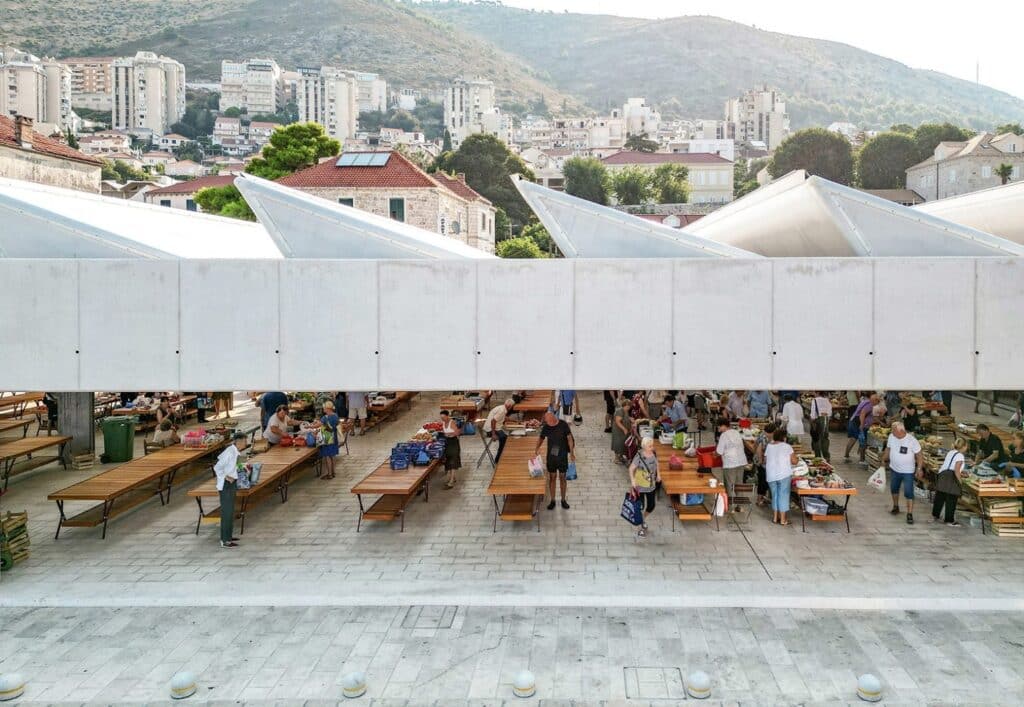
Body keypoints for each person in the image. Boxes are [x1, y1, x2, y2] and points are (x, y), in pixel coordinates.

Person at [535, 411, 575, 510]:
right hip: (551, 457)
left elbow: (569, 438)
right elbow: (541, 438)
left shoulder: (563, 424)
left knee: (562, 478)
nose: (547, 423)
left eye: (547, 421)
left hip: (562, 456)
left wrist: (572, 453)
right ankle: (552, 500)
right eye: (546, 421)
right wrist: (536, 449)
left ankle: (563, 500)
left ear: (552, 419)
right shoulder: (546, 427)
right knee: (552, 478)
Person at [213, 433, 247, 548]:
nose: (245, 444)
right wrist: (226, 477)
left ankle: (228, 535)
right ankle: (225, 540)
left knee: (231, 510)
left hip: (232, 484)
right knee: (227, 513)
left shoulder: (234, 452)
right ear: (239, 441)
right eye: (244, 441)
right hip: (226, 485)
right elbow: (217, 467)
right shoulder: (230, 452)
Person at [886, 421, 923, 524]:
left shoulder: (912, 441)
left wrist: (919, 469)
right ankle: (896, 506)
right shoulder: (891, 437)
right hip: (894, 469)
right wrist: (883, 460)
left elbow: (919, 455)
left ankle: (909, 514)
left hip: (908, 471)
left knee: (908, 492)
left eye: (894, 430)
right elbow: (888, 449)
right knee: (894, 488)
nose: (892, 432)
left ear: (901, 430)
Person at [932, 438, 968, 526]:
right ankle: (949, 520)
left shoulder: (951, 452)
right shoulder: (960, 455)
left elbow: (950, 465)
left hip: (943, 474)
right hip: (951, 476)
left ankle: (935, 515)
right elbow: (956, 470)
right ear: (963, 447)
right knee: (951, 498)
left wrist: (961, 472)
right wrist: (960, 482)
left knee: (940, 496)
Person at [629, 437, 660, 538]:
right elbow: (631, 469)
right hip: (640, 485)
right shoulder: (639, 455)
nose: (652, 447)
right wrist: (633, 481)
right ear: (644, 446)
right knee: (640, 507)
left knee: (651, 506)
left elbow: (657, 463)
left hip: (651, 485)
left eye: (652, 445)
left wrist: (658, 475)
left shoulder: (653, 453)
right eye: (650, 446)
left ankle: (642, 519)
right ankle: (640, 529)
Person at [765, 427, 795, 526]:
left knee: (775, 495)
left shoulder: (769, 446)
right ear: (784, 437)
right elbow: (794, 461)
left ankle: (774, 518)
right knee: (783, 496)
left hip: (771, 475)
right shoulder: (787, 447)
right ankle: (782, 520)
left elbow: (765, 460)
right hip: (784, 475)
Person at [715, 417, 746, 508]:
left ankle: (731, 506)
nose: (719, 429)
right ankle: (740, 506)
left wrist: (714, 454)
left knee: (730, 485)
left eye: (719, 427)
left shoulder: (724, 436)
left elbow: (719, 452)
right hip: (741, 461)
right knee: (738, 484)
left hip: (730, 463)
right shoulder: (736, 432)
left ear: (724, 426)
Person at [844, 393, 877, 463]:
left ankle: (846, 455)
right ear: (874, 400)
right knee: (863, 441)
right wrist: (861, 425)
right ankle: (862, 459)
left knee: (853, 439)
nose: (878, 402)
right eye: (878, 401)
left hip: (854, 421)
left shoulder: (865, 401)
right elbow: (862, 414)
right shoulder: (870, 405)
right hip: (857, 423)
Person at [485, 398, 515, 464]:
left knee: (505, 435)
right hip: (490, 430)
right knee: (504, 437)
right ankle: (498, 459)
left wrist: (515, 421)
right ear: (509, 406)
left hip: (495, 428)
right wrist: (493, 434)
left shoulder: (502, 408)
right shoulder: (502, 410)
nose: (511, 408)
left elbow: (504, 417)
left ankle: (501, 455)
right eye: (511, 407)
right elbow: (493, 421)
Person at [753, 422, 775, 507]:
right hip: (763, 463)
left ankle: (763, 498)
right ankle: (759, 499)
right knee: (763, 481)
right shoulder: (765, 437)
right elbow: (759, 450)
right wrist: (761, 460)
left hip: (764, 462)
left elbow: (755, 445)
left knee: (763, 480)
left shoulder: (762, 434)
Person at [318, 400, 341, 480]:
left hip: (327, 439)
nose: (323, 409)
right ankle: (333, 472)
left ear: (328, 408)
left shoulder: (325, 418)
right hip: (334, 437)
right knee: (332, 456)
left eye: (324, 408)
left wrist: (310, 426)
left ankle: (330, 474)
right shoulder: (335, 416)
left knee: (327, 456)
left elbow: (319, 425)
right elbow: (337, 425)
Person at [440, 410, 462, 489]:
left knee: (453, 460)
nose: (442, 419)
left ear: (447, 416)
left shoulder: (451, 422)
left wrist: (450, 434)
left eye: (443, 417)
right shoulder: (443, 423)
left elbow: (457, 433)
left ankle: (451, 481)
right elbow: (444, 431)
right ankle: (452, 477)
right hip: (447, 443)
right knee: (448, 460)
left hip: (453, 443)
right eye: (441, 417)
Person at [809, 391, 832, 460]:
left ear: (817, 393)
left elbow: (813, 413)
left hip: (817, 420)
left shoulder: (815, 400)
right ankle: (826, 456)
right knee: (825, 438)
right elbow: (830, 413)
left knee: (816, 438)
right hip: (825, 419)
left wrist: (812, 420)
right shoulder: (827, 400)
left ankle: (818, 456)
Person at [611, 396, 631, 464]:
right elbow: (617, 421)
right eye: (627, 406)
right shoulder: (620, 411)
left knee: (622, 444)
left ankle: (621, 457)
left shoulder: (625, 411)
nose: (628, 408)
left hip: (622, 431)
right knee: (618, 443)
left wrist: (630, 419)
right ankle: (616, 459)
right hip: (618, 431)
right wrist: (624, 429)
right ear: (624, 405)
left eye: (629, 406)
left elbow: (625, 418)